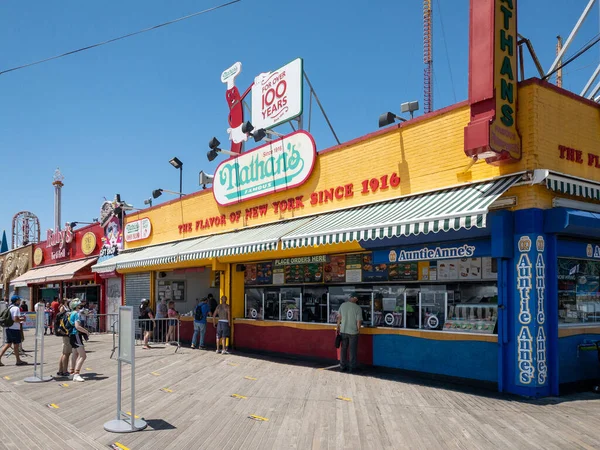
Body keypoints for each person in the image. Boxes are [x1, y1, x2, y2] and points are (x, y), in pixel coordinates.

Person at [336, 292, 363, 373]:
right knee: (352, 350)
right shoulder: (358, 308)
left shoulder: (342, 305)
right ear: (354, 298)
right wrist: (358, 330)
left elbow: (339, 318)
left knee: (343, 349)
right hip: (353, 332)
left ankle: (342, 366)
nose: (357, 300)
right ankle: (352, 367)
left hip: (343, 331)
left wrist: (338, 326)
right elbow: (358, 321)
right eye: (357, 298)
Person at [0, 294, 28, 366]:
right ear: (16, 301)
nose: (20, 301)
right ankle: (18, 361)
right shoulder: (16, 308)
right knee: (16, 345)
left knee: (8, 344)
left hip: (8, 328)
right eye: (19, 300)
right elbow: (15, 319)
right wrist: (23, 319)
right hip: (14, 329)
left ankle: (17, 360)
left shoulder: (10, 307)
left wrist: (20, 318)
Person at [68, 299, 90, 382]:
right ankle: (76, 374)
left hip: (71, 335)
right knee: (83, 356)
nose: (80, 306)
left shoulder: (70, 313)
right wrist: (86, 331)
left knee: (74, 354)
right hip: (76, 334)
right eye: (79, 305)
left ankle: (72, 372)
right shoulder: (76, 314)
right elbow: (77, 326)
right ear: (76, 306)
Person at [57, 298, 72, 377]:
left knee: (64, 353)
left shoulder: (66, 307)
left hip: (64, 331)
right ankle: (64, 370)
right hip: (65, 331)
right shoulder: (62, 307)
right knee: (66, 353)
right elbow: (63, 318)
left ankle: (60, 370)